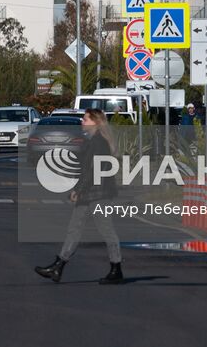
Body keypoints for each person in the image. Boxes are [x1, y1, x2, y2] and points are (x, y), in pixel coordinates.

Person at [34, 109, 124, 285]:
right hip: (91, 191)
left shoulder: (98, 142)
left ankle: (116, 268)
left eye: (85, 119)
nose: (82, 121)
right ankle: (58, 266)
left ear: (95, 122)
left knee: (106, 230)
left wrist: (78, 190)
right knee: (74, 228)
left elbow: (91, 170)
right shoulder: (94, 140)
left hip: (98, 193)